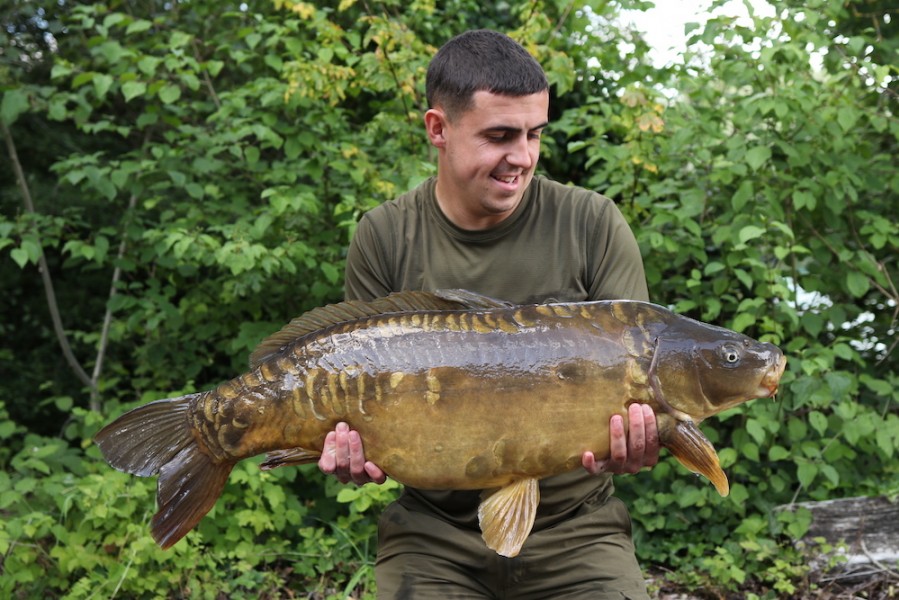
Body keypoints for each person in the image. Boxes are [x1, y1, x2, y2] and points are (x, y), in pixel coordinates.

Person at [319, 29, 660, 599]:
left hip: (578, 529)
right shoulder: (383, 236)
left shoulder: (592, 224)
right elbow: (354, 391)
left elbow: (644, 379)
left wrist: (642, 445)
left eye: (534, 134)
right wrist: (347, 444)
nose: (522, 158)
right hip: (430, 533)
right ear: (438, 129)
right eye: (499, 136)